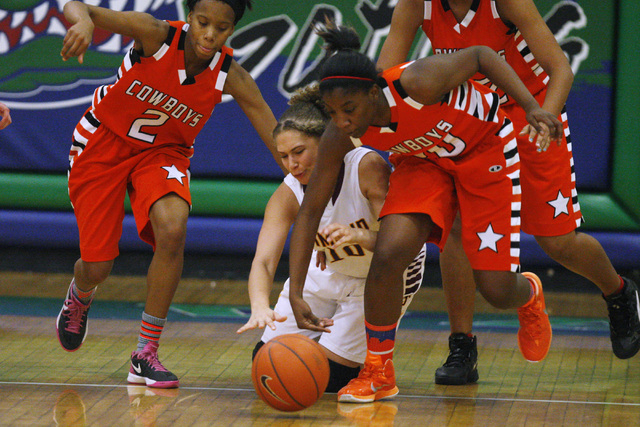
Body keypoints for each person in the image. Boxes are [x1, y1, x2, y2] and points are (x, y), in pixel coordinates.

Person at [287, 20, 563, 403]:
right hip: (423, 161)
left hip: (484, 151)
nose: (343, 121)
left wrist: (532, 107)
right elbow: (309, 211)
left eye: (349, 109)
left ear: (373, 92)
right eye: (333, 112)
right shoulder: (340, 132)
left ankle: (529, 292)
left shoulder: (417, 82)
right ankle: (379, 369)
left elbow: (482, 56)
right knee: (388, 252)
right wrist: (295, 290)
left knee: (497, 290)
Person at [377, 0, 640, 385]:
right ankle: (461, 345)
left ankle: (617, 291)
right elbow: (384, 78)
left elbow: (560, 69)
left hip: (529, 114)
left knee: (557, 241)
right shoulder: (417, 4)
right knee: (457, 228)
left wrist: (545, 119)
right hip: (469, 122)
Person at [55, 0, 285, 389]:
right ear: (189, 16)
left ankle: (145, 353)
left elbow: (276, 135)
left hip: (163, 153)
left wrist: (303, 179)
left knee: (173, 228)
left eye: (222, 27)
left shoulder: (231, 76)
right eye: (203, 22)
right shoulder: (155, 35)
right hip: (104, 144)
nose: (210, 34)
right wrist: (84, 25)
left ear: (232, 29)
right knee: (98, 266)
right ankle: (81, 291)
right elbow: (79, 7)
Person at [236, 84, 427, 393]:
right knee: (268, 362)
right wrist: (259, 306)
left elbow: (403, 245)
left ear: (327, 142)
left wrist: (360, 235)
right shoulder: (289, 191)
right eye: (284, 156)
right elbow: (265, 260)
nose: (291, 164)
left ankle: (374, 364)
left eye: (299, 152)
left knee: (328, 378)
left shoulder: (366, 167)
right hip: (330, 269)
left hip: (383, 274)